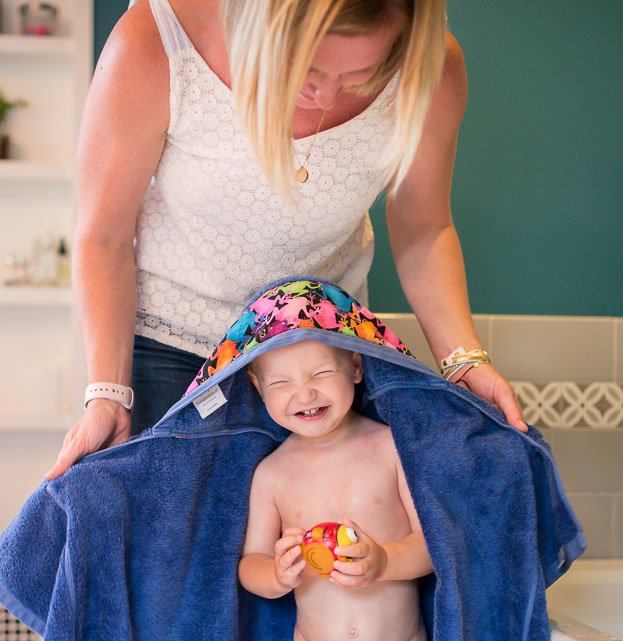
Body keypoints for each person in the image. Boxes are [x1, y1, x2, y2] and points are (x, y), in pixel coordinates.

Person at [46, 0, 526, 481]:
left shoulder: (431, 69)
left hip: (319, 347)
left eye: (362, 74)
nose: (325, 95)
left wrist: (463, 360)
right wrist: (108, 393)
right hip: (171, 347)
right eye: (306, 68)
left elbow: (424, 228)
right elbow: (104, 234)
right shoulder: (159, 39)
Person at [240, 338, 431, 641]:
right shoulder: (271, 474)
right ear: (258, 385)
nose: (304, 394)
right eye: (279, 382)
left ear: (355, 366)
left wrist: (384, 561)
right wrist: (276, 575)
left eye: (321, 373)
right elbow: (251, 564)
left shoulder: (392, 448)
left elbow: (433, 545)